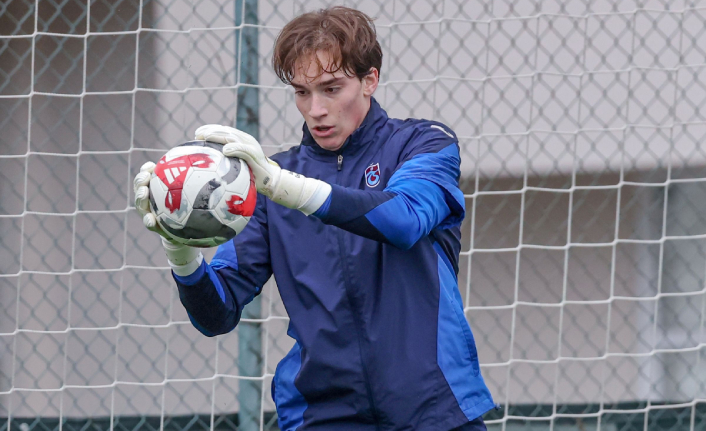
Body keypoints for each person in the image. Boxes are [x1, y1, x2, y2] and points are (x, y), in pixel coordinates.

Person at [133, 6, 495, 430]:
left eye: (331, 88)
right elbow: (218, 314)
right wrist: (180, 250)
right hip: (322, 414)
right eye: (302, 92)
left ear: (370, 80)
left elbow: (404, 219)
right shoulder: (268, 189)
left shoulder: (424, 143)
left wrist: (284, 186)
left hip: (434, 406)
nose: (316, 108)